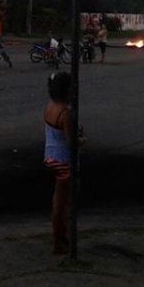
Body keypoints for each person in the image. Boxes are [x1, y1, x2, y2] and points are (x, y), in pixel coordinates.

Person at [43, 71, 85, 255]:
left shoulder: (50, 106)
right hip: (64, 161)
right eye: (72, 89)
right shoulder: (65, 113)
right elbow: (71, 142)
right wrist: (83, 139)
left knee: (59, 200)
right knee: (63, 203)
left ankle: (60, 237)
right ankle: (58, 241)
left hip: (50, 156)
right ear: (66, 91)